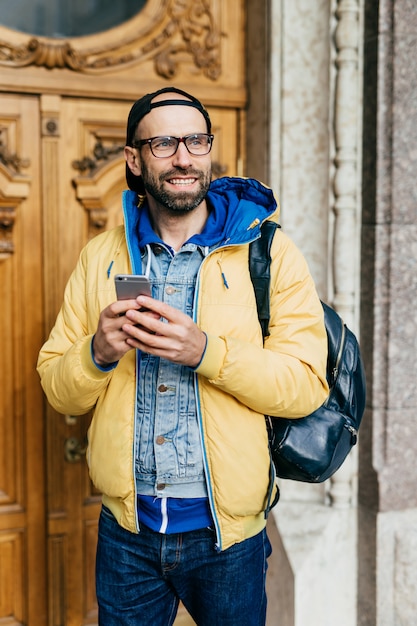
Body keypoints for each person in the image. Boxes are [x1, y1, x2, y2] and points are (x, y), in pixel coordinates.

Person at [37, 86, 329, 625]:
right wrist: (98, 352)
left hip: (229, 538)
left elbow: (305, 382)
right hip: (127, 534)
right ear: (134, 159)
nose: (183, 157)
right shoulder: (100, 257)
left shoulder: (269, 252)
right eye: (165, 142)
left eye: (196, 140)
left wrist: (207, 353)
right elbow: (59, 390)